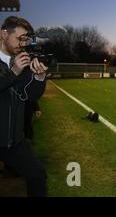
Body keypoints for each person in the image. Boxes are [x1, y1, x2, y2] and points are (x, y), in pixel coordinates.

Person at [0, 16, 48, 197]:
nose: (23, 43)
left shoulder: (20, 61)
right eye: (20, 38)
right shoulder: (16, 66)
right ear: (4, 34)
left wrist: (39, 77)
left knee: (37, 175)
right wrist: (13, 73)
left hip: (13, 140)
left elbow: (30, 95)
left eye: (25, 39)